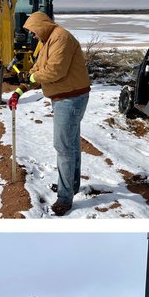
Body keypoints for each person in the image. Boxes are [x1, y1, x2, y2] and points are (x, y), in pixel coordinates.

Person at [7, 12, 90, 217]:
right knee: (71, 145)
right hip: (64, 98)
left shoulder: (61, 37)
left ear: (42, 25)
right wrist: (20, 90)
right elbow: (38, 69)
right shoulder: (47, 41)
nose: (33, 36)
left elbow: (55, 71)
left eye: (34, 31)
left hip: (70, 99)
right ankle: (71, 186)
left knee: (63, 147)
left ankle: (64, 198)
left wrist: (33, 75)